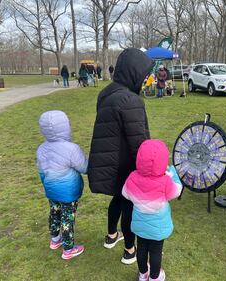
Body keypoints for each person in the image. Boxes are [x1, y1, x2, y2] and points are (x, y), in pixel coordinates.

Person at [88, 48, 154, 265]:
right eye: (143, 75)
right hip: (126, 164)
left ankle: (111, 235)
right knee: (128, 205)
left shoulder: (105, 93)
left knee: (117, 197)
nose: (145, 79)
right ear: (133, 72)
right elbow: (139, 142)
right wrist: (148, 167)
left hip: (110, 161)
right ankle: (129, 249)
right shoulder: (130, 100)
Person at [122, 140, 182, 281]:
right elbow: (176, 192)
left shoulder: (132, 177)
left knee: (141, 248)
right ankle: (155, 277)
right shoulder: (166, 181)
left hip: (139, 224)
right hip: (158, 228)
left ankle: (143, 275)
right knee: (155, 252)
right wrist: (173, 174)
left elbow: (125, 193)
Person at [36, 110, 88, 260]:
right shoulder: (72, 149)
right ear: (65, 127)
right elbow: (84, 168)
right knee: (67, 218)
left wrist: (47, 185)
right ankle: (68, 248)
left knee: (54, 212)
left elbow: (41, 171)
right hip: (68, 192)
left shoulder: (41, 149)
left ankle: (55, 239)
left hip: (51, 189)